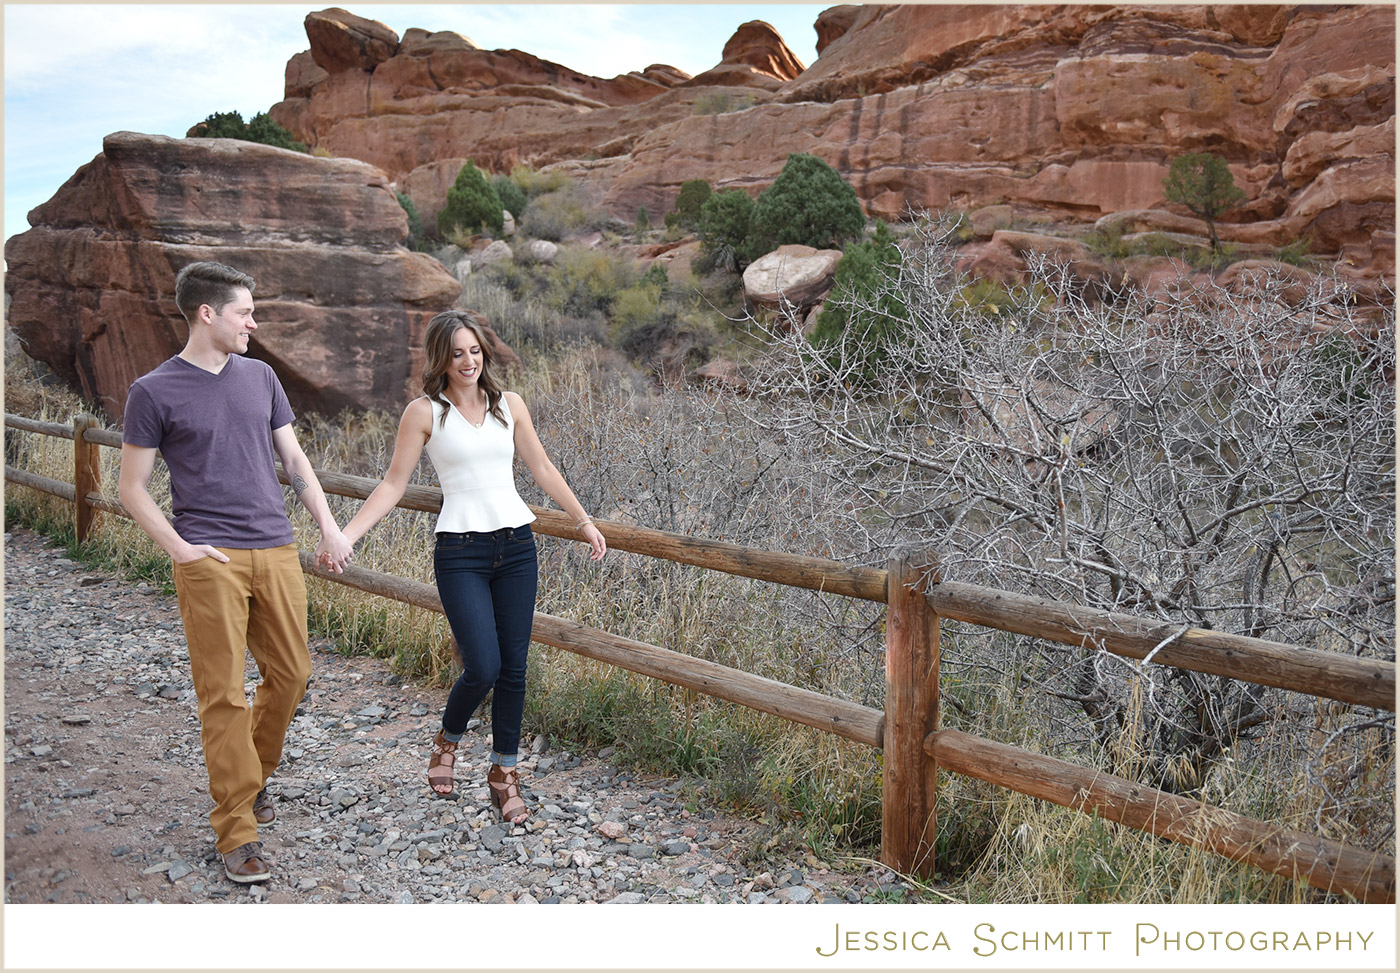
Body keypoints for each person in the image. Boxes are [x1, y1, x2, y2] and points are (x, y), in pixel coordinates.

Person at [118, 261, 352, 884]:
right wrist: (179, 548)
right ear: (207, 314)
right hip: (209, 559)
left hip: (275, 547)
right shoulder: (154, 390)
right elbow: (133, 488)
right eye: (245, 312)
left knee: (294, 674)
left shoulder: (261, 376)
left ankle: (252, 777)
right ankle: (237, 831)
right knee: (222, 694)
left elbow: (294, 457)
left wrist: (328, 525)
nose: (254, 322)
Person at [337, 309, 605, 825]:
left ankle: (504, 775)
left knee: (515, 670)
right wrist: (347, 535)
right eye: (457, 352)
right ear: (442, 358)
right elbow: (393, 484)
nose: (468, 361)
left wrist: (583, 521)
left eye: (475, 351)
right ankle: (447, 742)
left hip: (517, 547)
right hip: (460, 552)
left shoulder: (509, 405)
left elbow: (541, 467)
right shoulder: (424, 412)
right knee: (482, 666)